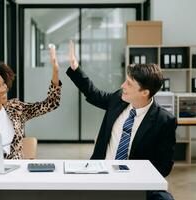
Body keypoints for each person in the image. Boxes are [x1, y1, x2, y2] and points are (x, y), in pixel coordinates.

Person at [66, 41, 176, 200]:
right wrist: (76, 69)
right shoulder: (119, 99)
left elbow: (164, 166)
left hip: (136, 181)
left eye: (129, 84)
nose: (122, 85)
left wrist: (136, 178)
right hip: (101, 173)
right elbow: (94, 94)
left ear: (145, 92)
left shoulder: (164, 121)